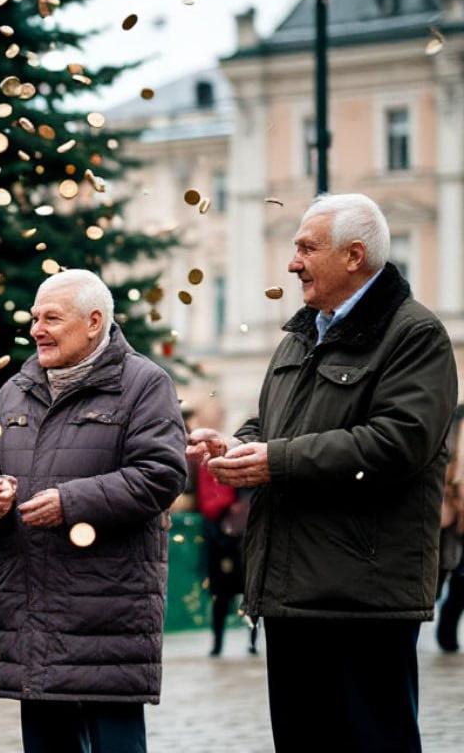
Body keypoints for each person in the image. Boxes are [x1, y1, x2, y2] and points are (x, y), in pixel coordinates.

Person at [188, 194, 458, 753]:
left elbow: (398, 442)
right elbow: (269, 423)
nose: (293, 263)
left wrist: (276, 461)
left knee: (372, 740)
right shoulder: (298, 336)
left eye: (306, 248)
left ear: (354, 255)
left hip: (361, 593)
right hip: (291, 589)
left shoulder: (414, 335)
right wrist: (239, 448)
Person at [0, 270, 187, 753]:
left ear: (94, 322)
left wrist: (71, 503)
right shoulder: (16, 389)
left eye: (51, 318)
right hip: (32, 613)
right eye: (34, 318)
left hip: (106, 617)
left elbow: (162, 474)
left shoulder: (145, 383)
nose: (36, 329)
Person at [188, 401, 257, 657]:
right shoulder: (197, 458)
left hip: (237, 532)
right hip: (214, 530)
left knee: (246, 591)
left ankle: (250, 641)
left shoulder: (233, 445)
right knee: (220, 592)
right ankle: (218, 644)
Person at [435, 409, 464, 652]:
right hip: (450, 505)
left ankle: (447, 634)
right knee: (443, 568)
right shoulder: (455, 418)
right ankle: (445, 632)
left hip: (455, 504)